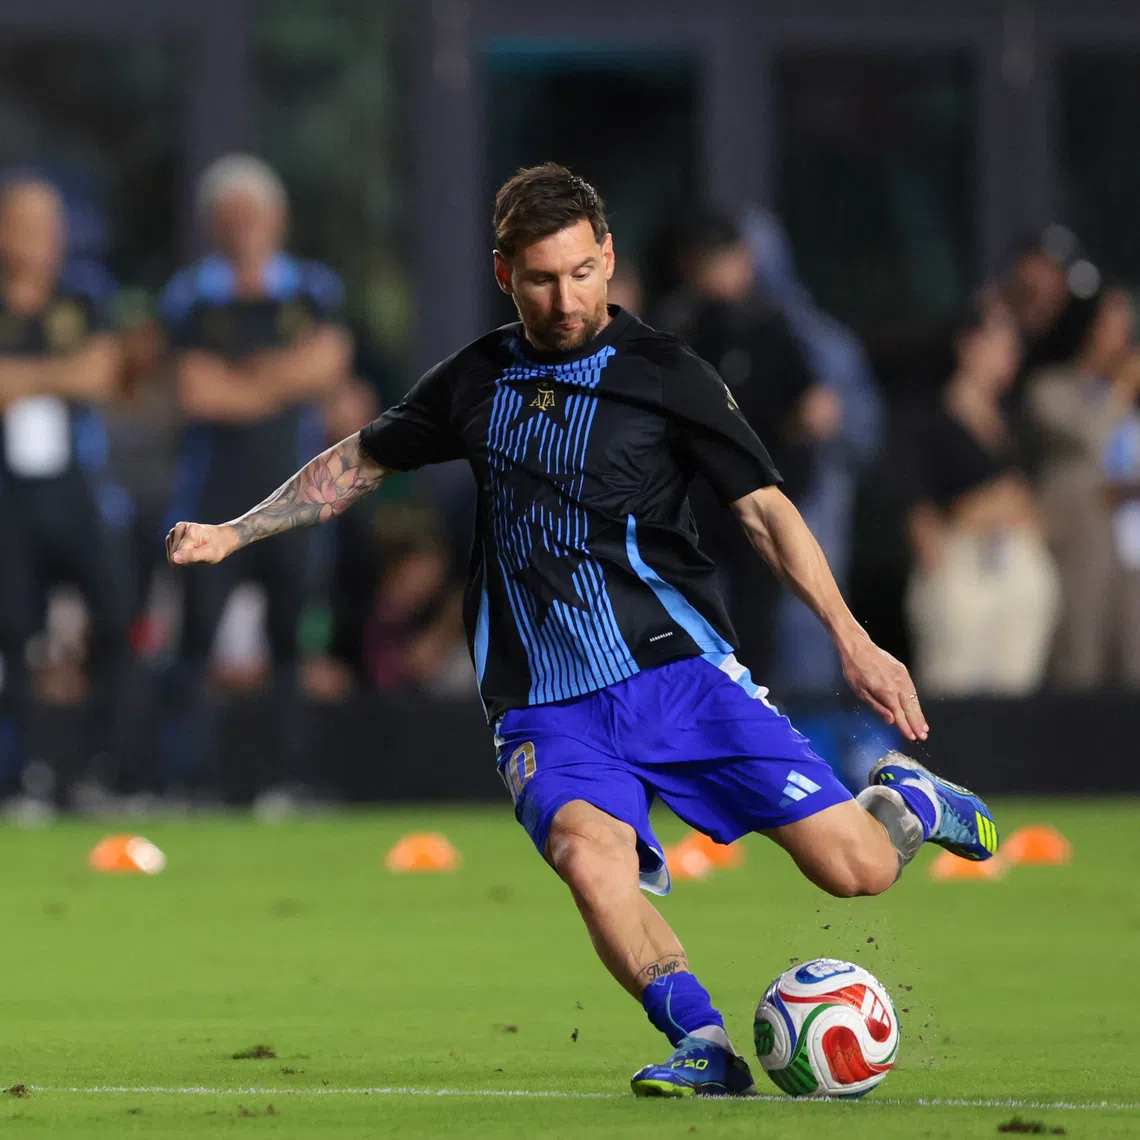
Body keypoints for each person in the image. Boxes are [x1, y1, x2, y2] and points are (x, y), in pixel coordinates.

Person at [166, 164, 998, 1096]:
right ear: (503, 275)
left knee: (860, 873)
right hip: (541, 704)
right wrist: (237, 530)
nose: (564, 300)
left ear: (608, 260)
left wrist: (852, 637)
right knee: (586, 855)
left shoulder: (667, 374)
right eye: (540, 280)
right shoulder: (477, 380)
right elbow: (355, 463)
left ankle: (906, 803)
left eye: (579, 273)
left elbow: (766, 512)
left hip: (676, 676)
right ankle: (706, 1045)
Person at [159, 155, 352, 797]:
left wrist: (244, 381)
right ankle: (190, 781)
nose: (245, 228)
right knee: (196, 643)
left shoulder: (311, 290)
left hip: (292, 496)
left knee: (291, 642)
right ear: (215, 224)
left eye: (256, 216)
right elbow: (196, 392)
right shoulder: (192, 295)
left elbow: (331, 366)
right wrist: (288, 380)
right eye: (232, 217)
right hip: (211, 496)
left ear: (278, 220)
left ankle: (287, 780)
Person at [0, 177, 129, 802]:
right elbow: (78, 371)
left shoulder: (84, 297)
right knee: (13, 629)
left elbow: (102, 373)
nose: (42, 242)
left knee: (114, 616)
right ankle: (25, 774)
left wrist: (19, 375)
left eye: (51, 228)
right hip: (9, 497)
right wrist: (59, 374)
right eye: (27, 227)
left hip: (76, 491)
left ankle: (102, 769)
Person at [658, 213, 821, 680]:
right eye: (709, 263)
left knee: (760, 618)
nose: (719, 273)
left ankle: (760, 708)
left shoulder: (773, 326)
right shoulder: (681, 327)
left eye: (726, 260)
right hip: (697, 495)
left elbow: (813, 403)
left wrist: (803, 427)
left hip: (758, 485)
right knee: (691, 610)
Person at [743, 207, 884, 695]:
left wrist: (828, 419)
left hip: (804, 501)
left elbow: (865, 434)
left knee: (803, 632)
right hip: (724, 519)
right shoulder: (697, 327)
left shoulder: (816, 340)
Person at [905, 302, 1059, 695]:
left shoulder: (1016, 419)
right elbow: (917, 501)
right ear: (969, 346)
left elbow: (1032, 496)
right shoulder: (931, 418)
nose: (1011, 356)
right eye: (1001, 344)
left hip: (1015, 563)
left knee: (1015, 679)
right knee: (954, 678)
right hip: (959, 562)